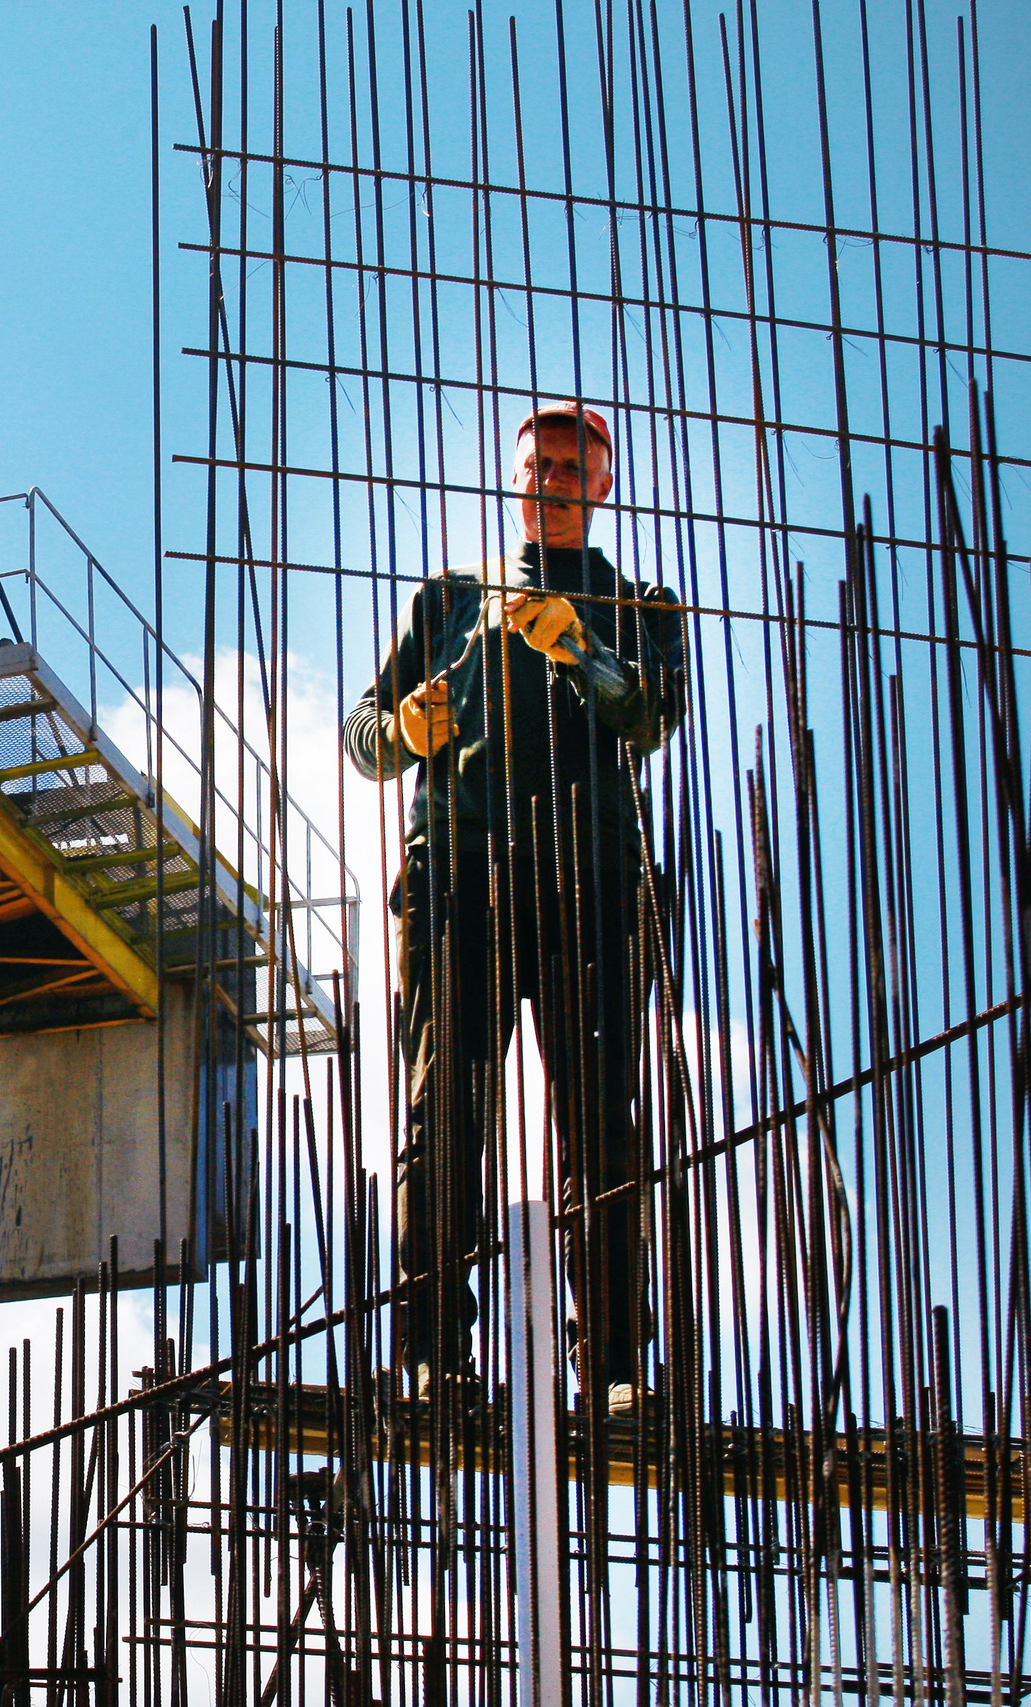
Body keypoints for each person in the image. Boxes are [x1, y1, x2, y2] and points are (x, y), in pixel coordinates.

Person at [341, 403, 687, 1414]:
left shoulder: (640, 605)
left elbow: (654, 717)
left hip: (589, 881)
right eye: (537, 467)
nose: (551, 483)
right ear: (517, 475)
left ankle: (615, 1362)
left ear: (604, 484)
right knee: (443, 1112)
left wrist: (582, 649)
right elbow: (366, 737)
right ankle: (432, 1347)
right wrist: (403, 727)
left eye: (573, 469)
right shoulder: (450, 600)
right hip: (457, 880)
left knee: (601, 1129)